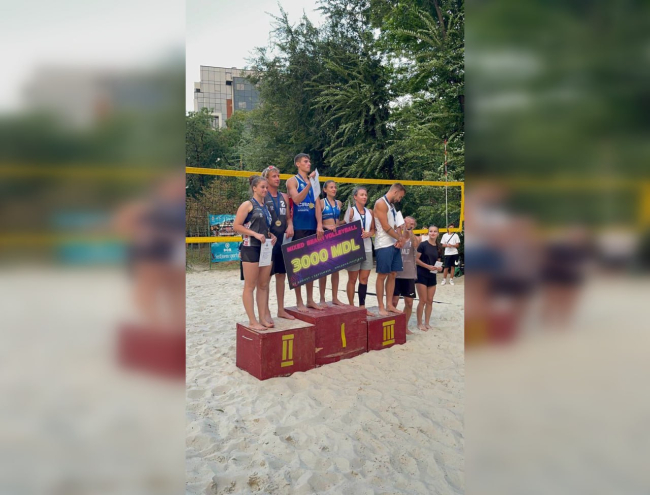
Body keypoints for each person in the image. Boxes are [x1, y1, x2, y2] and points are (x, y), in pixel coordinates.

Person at [233, 176, 277, 330]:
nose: (265, 190)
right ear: (254, 188)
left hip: (265, 248)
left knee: (263, 285)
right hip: (251, 247)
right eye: (262, 187)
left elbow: (264, 227)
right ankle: (252, 321)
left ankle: (262, 317)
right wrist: (254, 234)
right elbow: (236, 226)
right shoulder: (248, 204)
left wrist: (271, 235)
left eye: (266, 187)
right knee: (250, 286)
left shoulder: (266, 206)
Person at [285, 153, 324, 311]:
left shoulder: (313, 182)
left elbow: (317, 205)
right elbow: (296, 199)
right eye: (305, 161)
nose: (309, 164)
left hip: (312, 226)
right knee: (298, 266)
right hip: (298, 227)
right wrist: (309, 184)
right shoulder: (292, 181)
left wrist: (319, 224)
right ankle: (299, 301)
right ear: (298, 164)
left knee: (311, 265)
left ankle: (310, 299)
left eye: (309, 161)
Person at [261, 166, 295, 320]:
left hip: (282, 239)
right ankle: (265, 311)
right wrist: (266, 232)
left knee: (281, 275)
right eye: (274, 176)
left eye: (278, 176)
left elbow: (288, 218)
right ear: (266, 179)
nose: (277, 178)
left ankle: (281, 309)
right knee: (266, 277)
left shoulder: (283, 196)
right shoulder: (263, 195)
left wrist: (290, 225)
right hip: (268, 241)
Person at [373, 183, 407, 316]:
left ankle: (389, 305)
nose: (399, 199)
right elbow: (386, 227)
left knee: (393, 274)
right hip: (383, 244)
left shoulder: (392, 206)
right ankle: (381, 306)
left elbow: (398, 225)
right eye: (400, 196)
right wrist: (400, 238)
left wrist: (399, 239)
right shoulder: (380, 203)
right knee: (382, 275)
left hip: (393, 243)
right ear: (395, 192)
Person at [345, 186, 375, 312]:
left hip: (367, 248)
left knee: (364, 279)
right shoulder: (351, 211)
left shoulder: (370, 212)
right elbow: (345, 230)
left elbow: (373, 230)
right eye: (361, 195)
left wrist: (369, 234)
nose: (364, 197)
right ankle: (351, 306)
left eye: (365, 195)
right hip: (354, 248)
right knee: (352, 279)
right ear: (355, 197)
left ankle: (362, 306)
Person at [318, 180, 344, 306]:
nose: (334, 189)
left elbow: (337, 221)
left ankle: (335, 297)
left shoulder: (339, 203)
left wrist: (345, 222)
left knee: (336, 269)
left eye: (335, 187)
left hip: (336, 238)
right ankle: (322, 299)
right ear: (325, 190)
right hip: (325, 238)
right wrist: (326, 226)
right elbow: (317, 222)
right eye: (331, 187)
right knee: (324, 270)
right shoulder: (321, 203)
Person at [392, 216, 420, 334]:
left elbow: (415, 244)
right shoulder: (396, 237)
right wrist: (402, 230)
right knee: (394, 302)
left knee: (409, 302)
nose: (409, 225)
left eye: (412, 223)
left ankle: (404, 326)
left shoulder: (416, 238)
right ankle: (393, 325)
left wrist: (410, 231)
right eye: (407, 223)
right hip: (396, 274)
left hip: (409, 275)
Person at [415, 225, 443, 331]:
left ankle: (427, 322)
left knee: (430, 300)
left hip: (432, 275)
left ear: (438, 233)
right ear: (428, 232)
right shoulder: (423, 245)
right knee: (422, 300)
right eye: (431, 231)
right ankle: (419, 323)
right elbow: (416, 259)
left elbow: (439, 261)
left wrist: (439, 268)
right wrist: (427, 266)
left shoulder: (439, 247)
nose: (433, 233)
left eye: (435, 231)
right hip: (421, 273)